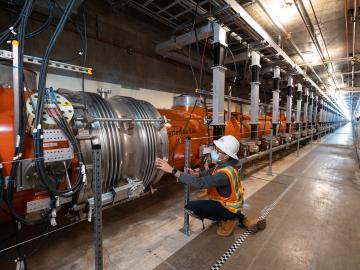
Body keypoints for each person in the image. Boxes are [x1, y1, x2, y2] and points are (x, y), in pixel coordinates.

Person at [156, 135, 266, 237]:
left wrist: (172, 170)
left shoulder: (224, 174)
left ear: (226, 155)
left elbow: (201, 184)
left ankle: (229, 220)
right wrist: (196, 174)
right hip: (232, 206)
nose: (215, 152)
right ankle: (243, 219)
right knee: (223, 208)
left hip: (228, 207)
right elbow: (211, 171)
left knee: (190, 206)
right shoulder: (229, 165)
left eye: (218, 151)